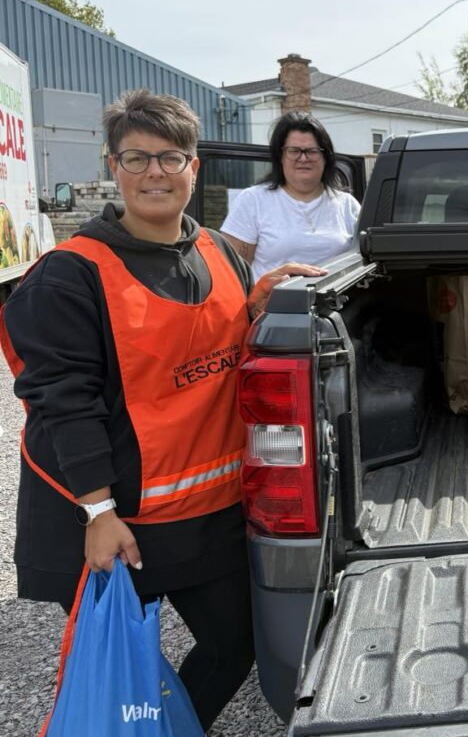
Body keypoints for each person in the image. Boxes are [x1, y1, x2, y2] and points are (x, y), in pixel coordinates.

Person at [0, 89, 324, 732]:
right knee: (108, 670)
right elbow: (65, 401)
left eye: (170, 158)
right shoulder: (71, 275)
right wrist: (96, 511)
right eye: (136, 158)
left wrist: (259, 307)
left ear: (194, 168)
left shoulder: (221, 255)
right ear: (112, 167)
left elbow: (215, 349)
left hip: (207, 514)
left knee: (240, 644)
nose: (155, 173)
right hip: (118, 520)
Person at [221, 111, 361, 280]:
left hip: (338, 304)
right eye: (294, 151)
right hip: (271, 306)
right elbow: (232, 275)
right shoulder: (253, 201)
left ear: (325, 156)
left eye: (312, 151)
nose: (303, 158)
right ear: (281, 156)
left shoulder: (347, 205)